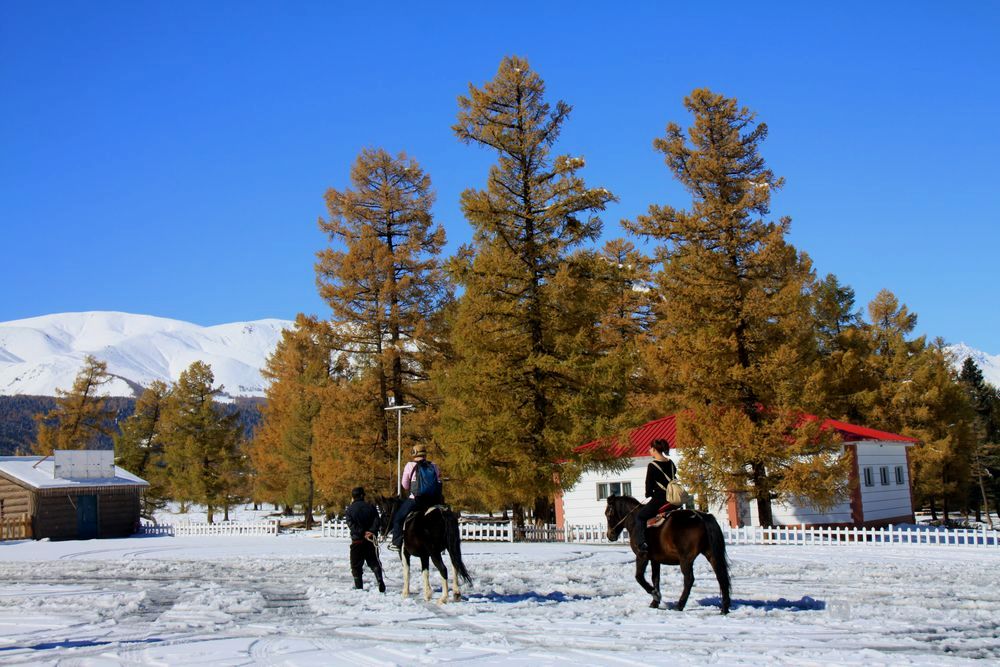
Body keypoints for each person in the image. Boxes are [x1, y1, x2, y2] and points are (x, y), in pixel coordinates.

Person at [389, 444, 443, 550]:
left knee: (398, 518)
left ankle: (396, 542)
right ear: (425, 454)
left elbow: (405, 485)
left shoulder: (410, 465)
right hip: (432, 501)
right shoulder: (434, 466)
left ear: (414, 454)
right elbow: (439, 482)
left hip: (416, 500)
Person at [632, 437, 677, 555]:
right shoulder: (671, 463)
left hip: (660, 499)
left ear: (654, 449)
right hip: (673, 499)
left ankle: (641, 544)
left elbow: (649, 484)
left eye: (650, 448)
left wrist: (648, 494)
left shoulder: (652, 465)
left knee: (640, 517)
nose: (649, 450)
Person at [345, 486, 386, 592]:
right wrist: (371, 531)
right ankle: (380, 580)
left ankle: (359, 586)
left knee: (356, 565)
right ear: (362, 495)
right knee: (373, 562)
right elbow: (377, 520)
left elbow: (351, 525)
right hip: (370, 540)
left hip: (357, 541)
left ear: (353, 496)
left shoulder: (349, 510)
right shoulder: (371, 507)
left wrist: (362, 532)